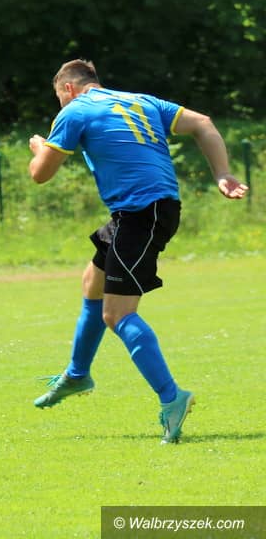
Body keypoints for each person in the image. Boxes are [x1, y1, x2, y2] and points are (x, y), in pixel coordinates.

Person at [28, 59, 247, 444]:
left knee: (117, 314)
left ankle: (172, 398)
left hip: (141, 215)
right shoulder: (141, 101)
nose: (60, 106)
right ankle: (77, 375)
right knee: (92, 283)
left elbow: (40, 174)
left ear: (68, 89)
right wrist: (222, 173)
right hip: (142, 211)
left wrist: (39, 148)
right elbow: (203, 123)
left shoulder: (75, 110)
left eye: (59, 99)